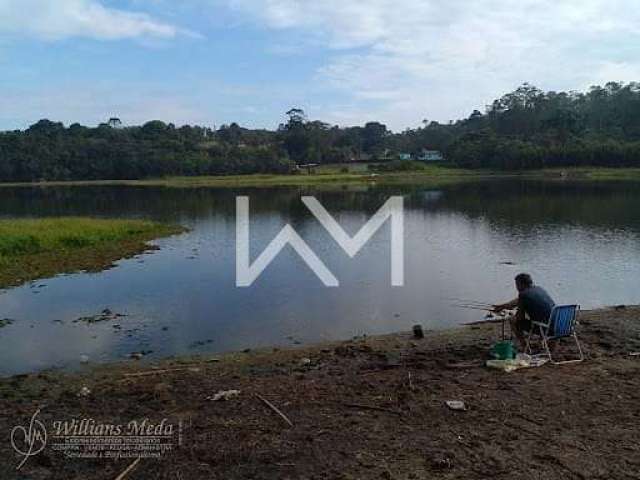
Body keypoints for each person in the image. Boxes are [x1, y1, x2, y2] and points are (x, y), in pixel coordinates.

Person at [493, 273, 556, 350]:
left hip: (546, 329)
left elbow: (519, 318)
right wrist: (502, 306)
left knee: (513, 320)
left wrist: (512, 313)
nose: (516, 287)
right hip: (560, 327)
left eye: (517, 284)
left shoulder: (523, 295)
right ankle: (544, 343)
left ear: (521, 284)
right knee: (542, 315)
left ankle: (525, 346)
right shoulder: (539, 289)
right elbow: (517, 301)